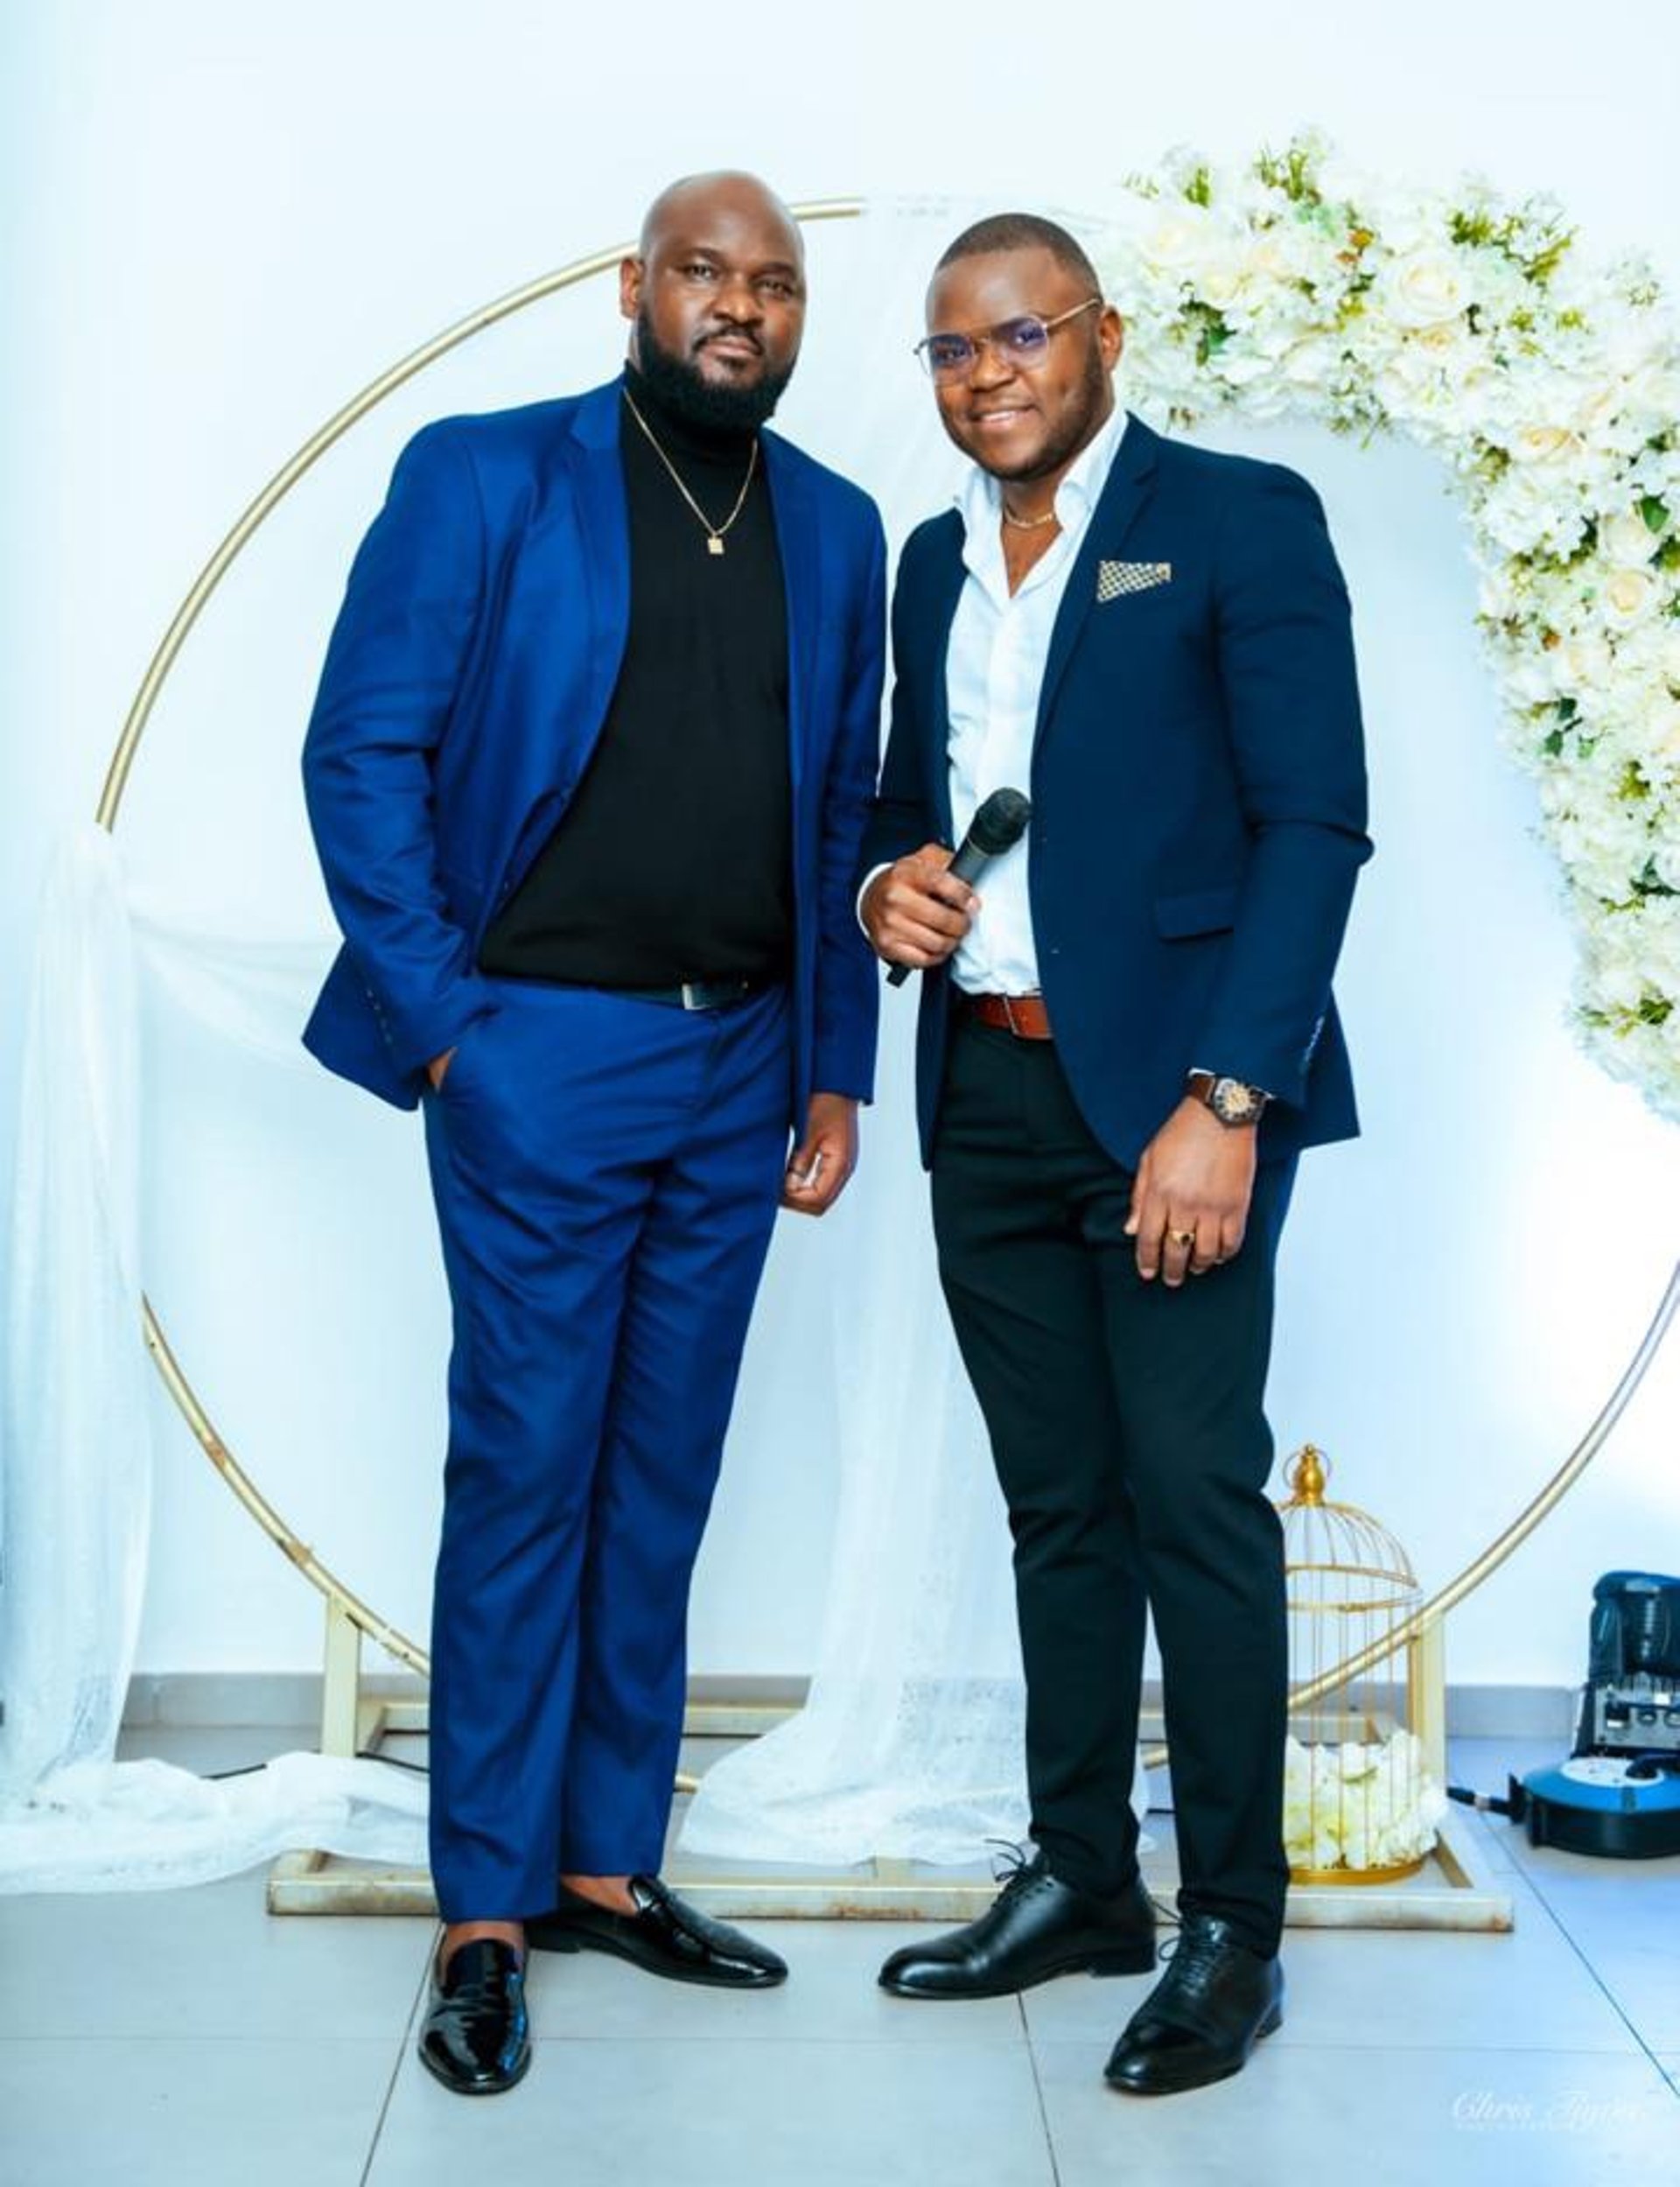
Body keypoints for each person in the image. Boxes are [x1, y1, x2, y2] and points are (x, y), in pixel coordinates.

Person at [302, 172, 886, 2095]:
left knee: (664, 1471)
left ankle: (605, 1858)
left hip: (744, 1066)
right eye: (707, 274)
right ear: (634, 287)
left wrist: (835, 1061)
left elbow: (837, 823)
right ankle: (484, 1906)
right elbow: (361, 749)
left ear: (800, 317)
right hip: (539, 1046)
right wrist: (453, 1028)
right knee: (530, 1463)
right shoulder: (483, 476)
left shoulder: (837, 525)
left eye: (776, 285)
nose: (741, 308)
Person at [858, 212, 1370, 2097]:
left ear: (1103, 335)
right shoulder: (930, 565)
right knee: (1057, 1507)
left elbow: (1314, 822)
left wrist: (1230, 1099)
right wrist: (882, 881)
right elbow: (898, 798)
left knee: (1192, 1500)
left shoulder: (1237, 519)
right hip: (985, 1095)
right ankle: (1085, 1877)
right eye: (952, 350)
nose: (986, 374)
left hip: (1176, 1104)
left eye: (1021, 335)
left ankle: (1235, 1917)